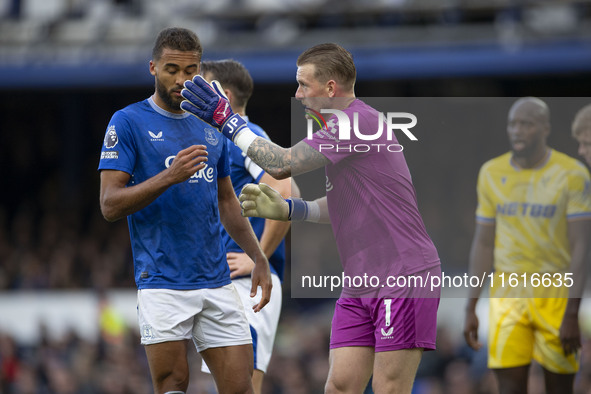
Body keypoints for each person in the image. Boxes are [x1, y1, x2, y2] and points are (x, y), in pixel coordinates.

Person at [180, 43, 441, 394]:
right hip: (361, 279)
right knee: (339, 387)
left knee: (389, 388)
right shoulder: (344, 130)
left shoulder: (358, 122)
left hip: (403, 273)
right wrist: (291, 210)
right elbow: (340, 206)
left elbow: (281, 163)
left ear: (330, 88)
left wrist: (227, 120)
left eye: (303, 84)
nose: (297, 93)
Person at [98, 27, 272, 394]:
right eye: (171, 69)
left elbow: (227, 200)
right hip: (162, 281)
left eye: (190, 70)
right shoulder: (127, 122)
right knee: (174, 384)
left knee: (241, 388)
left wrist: (258, 257)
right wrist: (169, 176)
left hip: (216, 279)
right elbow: (110, 204)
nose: (181, 79)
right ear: (153, 68)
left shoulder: (211, 123)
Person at [463, 97, 591, 394]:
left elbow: (581, 246)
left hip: (556, 293)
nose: (517, 131)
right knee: (509, 387)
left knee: (560, 388)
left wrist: (572, 313)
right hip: (508, 293)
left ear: (545, 129)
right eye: (512, 124)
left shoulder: (572, 174)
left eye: (527, 124)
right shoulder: (491, 173)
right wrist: (471, 305)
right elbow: (483, 244)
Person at [199, 59, 299, 394]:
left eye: (203, 86)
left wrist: (259, 258)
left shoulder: (247, 138)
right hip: (227, 284)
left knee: (242, 387)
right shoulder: (220, 141)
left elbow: (285, 191)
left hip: (249, 287)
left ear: (223, 95)